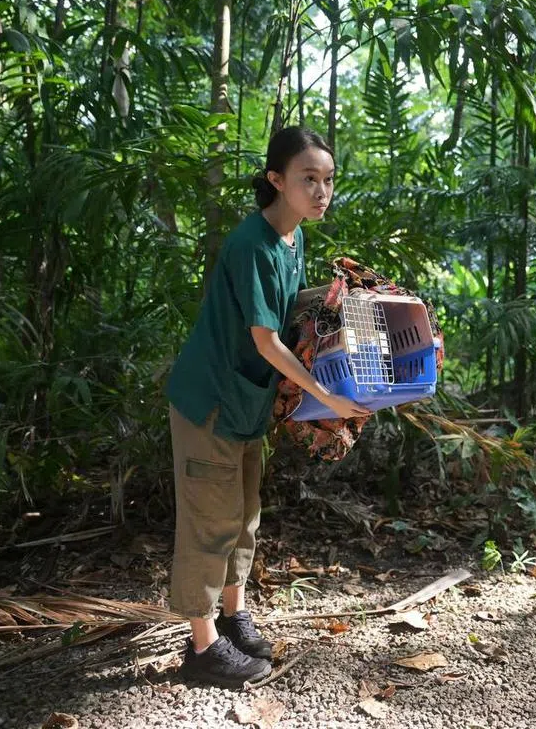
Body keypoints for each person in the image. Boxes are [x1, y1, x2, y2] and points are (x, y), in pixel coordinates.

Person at [164, 126, 369, 688]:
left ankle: (233, 616)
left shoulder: (294, 237)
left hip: (248, 402)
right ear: (277, 180)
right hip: (210, 400)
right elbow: (265, 339)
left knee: (244, 515)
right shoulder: (252, 242)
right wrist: (330, 398)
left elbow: (293, 320)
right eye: (309, 178)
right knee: (210, 520)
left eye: (328, 179)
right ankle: (202, 648)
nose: (321, 190)